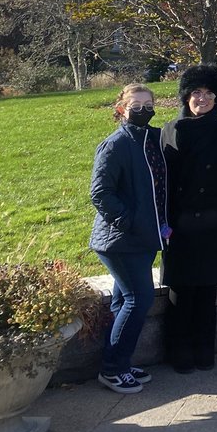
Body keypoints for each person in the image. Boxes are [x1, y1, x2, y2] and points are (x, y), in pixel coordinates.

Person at [160, 65, 217, 374]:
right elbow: (163, 183)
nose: (202, 99)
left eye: (209, 93)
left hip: (214, 225)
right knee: (181, 290)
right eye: (196, 93)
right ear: (186, 96)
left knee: (207, 291)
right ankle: (179, 350)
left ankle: (204, 348)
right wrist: (162, 224)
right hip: (179, 226)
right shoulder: (169, 131)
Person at [89, 83, 168, 394]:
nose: (143, 109)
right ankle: (112, 369)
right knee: (139, 299)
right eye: (136, 104)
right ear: (121, 109)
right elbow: (100, 193)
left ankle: (119, 361)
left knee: (124, 300)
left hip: (144, 237)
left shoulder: (149, 140)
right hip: (121, 240)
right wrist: (130, 223)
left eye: (148, 104)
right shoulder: (116, 144)